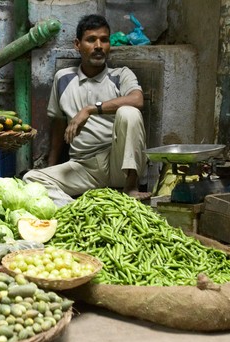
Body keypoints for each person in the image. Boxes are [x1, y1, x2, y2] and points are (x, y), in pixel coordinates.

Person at [23, 14, 150, 206]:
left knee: (129, 112)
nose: (98, 46)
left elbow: (137, 99)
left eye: (104, 40)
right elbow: (58, 124)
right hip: (83, 167)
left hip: (118, 164)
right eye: (91, 40)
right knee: (31, 179)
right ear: (77, 45)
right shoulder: (63, 79)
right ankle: (80, 211)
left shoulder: (121, 74)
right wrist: (52, 167)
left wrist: (90, 109)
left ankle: (131, 188)